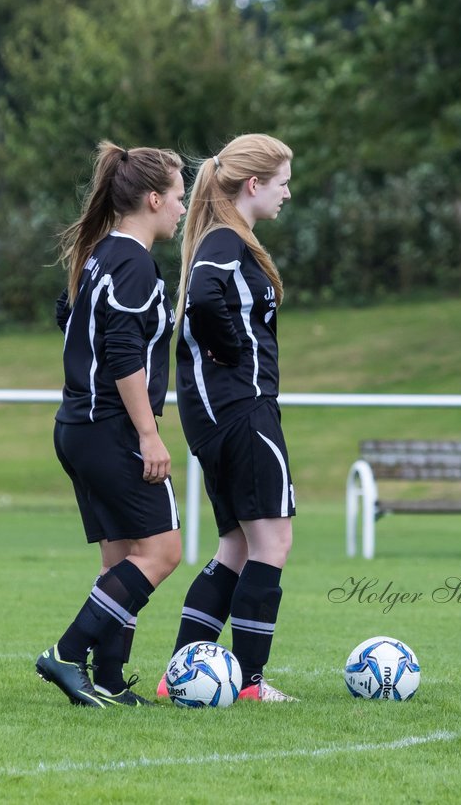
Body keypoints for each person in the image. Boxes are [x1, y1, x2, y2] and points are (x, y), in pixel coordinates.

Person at [35, 141, 187, 707]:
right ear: (152, 199)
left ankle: (108, 678)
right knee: (163, 553)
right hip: (111, 428)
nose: (180, 206)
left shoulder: (100, 255)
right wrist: (149, 433)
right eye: (176, 196)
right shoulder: (132, 261)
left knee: (123, 559)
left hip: (78, 425)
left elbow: (70, 319)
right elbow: (123, 351)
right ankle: (67, 654)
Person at [160, 133, 298, 702]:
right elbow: (204, 296)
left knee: (236, 548)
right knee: (273, 544)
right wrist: (233, 351)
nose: (288, 193)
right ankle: (250, 685)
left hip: (222, 415)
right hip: (242, 412)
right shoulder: (225, 241)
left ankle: (179, 679)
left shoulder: (224, 238)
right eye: (283, 182)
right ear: (253, 184)